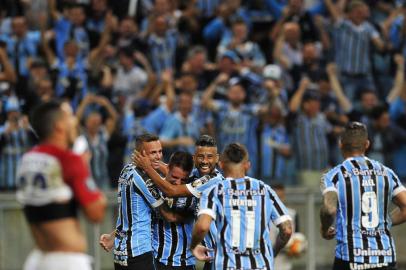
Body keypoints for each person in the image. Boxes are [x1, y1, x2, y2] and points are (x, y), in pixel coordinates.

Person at [16, 100, 107, 270]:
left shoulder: (26, 160)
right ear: (59, 126)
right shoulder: (68, 160)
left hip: (37, 259)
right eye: (70, 117)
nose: (74, 123)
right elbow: (96, 213)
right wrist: (84, 170)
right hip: (66, 261)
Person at [190, 143, 293, 269]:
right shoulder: (265, 190)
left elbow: (202, 226)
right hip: (261, 265)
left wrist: (193, 246)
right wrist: (273, 252)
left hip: (227, 265)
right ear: (247, 165)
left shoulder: (214, 191)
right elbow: (287, 230)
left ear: (221, 164)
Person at [320, 121, 406, 270]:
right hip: (385, 257)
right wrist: (386, 221)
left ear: (341, 144)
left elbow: (329, 210)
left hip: (351, 257)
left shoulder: (334, 176)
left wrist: (325, 228)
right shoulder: (386, 173)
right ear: (367, 144)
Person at [100, 133, 190, 270]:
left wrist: (114, 235)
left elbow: (132, 214)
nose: (158, 156)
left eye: (160, 151)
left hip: (121, 252)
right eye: (153, 153)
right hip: (138, 252)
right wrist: (189, 215)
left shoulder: (126, 170)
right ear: (141, 155)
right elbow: (168, 214)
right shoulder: (143, 178)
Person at [133, 135, 222, 270]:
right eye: (201, 157)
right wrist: (156, 164)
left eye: (210, 157)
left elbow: (172, 191)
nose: (205, 161)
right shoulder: (191, 177)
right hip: (164, 260)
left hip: (217, 255)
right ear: (194, 158)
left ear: (217, 158)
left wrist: (148, 168)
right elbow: (174, 172)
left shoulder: (214, 180)